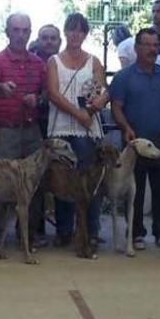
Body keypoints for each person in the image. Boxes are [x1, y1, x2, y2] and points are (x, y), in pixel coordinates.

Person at [0, 13, 46, 252]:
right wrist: (0, 87)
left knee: (35, 182)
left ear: (30, 33)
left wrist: (37, 99)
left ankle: (28, 233)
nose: (21, 35)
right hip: (6, 130)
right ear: (7, 32)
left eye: (25, 30)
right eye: (16, 30)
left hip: (31, 131)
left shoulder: (39, 63)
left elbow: (48, 94)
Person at [109, 28, 160, 249]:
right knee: (134, 191)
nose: (152, 49)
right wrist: (125, 127)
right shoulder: (123, 77)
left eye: (155, 45)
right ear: (136, 48)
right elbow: (116, 107)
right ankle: (136, 233)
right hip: (134, 143)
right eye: (147, 45)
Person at [46, 13, 109, 248]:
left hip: (88, 129)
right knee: (63, 180)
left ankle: (91, 230)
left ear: (85, 34)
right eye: (71, 30)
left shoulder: (93, 61)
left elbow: (102, 90)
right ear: (65, 32)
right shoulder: (54, 61)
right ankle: (64, 231)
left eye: (80, 30)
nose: (75, 34)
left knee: (89, 181)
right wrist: (78, 113)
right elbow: (53, 93)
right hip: (61, 128)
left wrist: (95, 107)